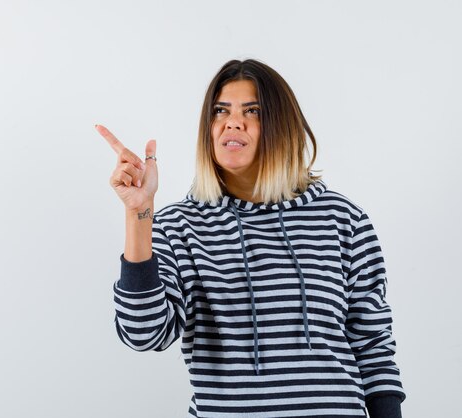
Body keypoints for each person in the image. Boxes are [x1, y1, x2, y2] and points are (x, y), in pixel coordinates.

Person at [96, 59, 406, 418]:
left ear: (281, 126)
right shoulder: (177, 226)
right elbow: (144, 333)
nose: (233, 121)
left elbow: (373, 347)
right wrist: (139, 214)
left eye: (253, 111)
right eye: (220, 111)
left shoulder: (342, 219)